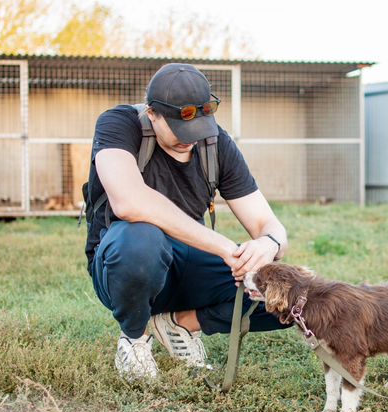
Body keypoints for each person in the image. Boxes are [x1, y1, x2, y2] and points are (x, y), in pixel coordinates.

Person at [85, 63, 291, 381]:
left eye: (199, 130)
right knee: (141, 240)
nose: (190, 141)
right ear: (153, 113)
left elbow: (268, 223)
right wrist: (225, 246)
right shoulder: (119, 124)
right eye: (181, 131)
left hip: (188, 263)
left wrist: (268, 243)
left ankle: (181, 324)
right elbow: (128, 202)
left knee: (290, 298)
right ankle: (135, 338)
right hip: (124, 264)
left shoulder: (215, 143)